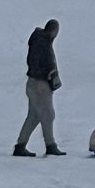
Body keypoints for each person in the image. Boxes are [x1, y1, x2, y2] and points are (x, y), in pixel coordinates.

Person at [14, 19, 63, 156]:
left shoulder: (41, 40)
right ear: (53, 30)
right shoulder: (42, 43)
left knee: (34, 115)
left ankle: (20, 145)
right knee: (48, 114)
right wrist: (42, 80)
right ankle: (50, 144)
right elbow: (37, 63)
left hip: (36, 82)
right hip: (39, 83)